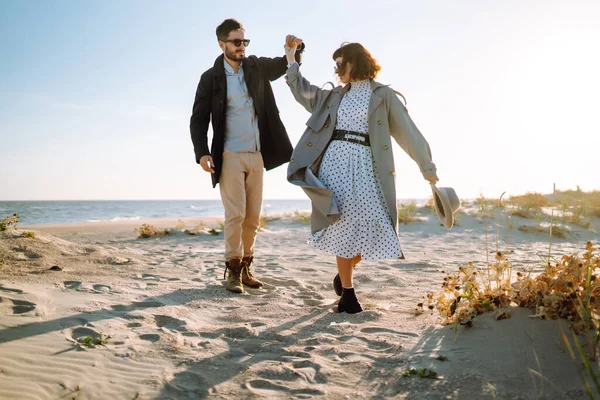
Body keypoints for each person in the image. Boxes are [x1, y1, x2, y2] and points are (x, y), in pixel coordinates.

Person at [284, 37, 439, 313]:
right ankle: (348, 294)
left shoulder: (383, 95)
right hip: (336, 162)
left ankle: (343, 275)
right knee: (342, 225)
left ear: (356, 61)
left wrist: (427, 168)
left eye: (341, 63)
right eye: (335, 65)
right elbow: (302, 91)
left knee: (372, 222)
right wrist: (291, 60)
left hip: (368, 165)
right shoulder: (334, 95)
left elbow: (408, 132)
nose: (337, 70)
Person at [190, 20, 304, 294]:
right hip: (228, 155)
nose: (242, 47)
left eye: (245, 42)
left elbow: (283, 64)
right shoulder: (211, 78)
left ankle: (247, 266)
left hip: (257, 155)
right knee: (235, 214)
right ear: (222, 44)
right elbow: (198, 119)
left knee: (252, 218)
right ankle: (232, 270)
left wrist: (294, 49)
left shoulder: (255, 67)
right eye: (236, 42)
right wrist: (202, 153)